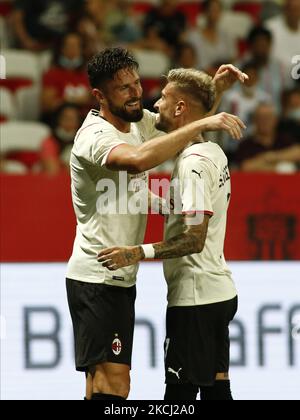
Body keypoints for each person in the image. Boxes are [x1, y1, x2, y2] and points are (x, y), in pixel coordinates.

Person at [66, 47, 247, 401]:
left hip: (121, 275)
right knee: (115, 385)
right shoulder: (95, 136)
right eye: (124, 88)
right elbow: (137, 160)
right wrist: (206, 121)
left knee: (100, 385)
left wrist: (215, 89)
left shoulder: (136, 123)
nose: (136, 94)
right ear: (100, 96)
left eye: (136, 83)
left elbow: (179, 115)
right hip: (98, 275)